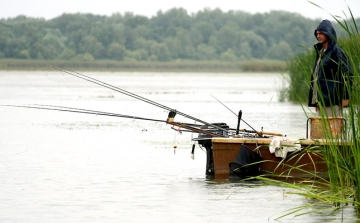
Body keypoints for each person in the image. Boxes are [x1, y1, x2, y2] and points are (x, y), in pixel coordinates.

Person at [308, 19, 352, 117]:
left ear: (328, 33)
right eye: (317, 33)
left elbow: (347, 74)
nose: (318, 36)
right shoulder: (321, 52)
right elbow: (317, 77)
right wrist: (316, 100)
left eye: (321, 33)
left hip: (333, 101)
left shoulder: (337, 51)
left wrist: (345, 97)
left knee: (334, 131)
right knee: (323, 132)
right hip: (321, 101)